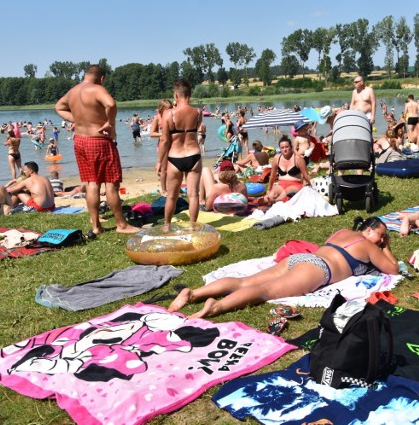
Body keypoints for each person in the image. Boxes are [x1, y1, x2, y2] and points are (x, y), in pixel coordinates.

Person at [167, 216, 399, 318]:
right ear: (368, 230)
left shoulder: (341, 232)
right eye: (380, 235)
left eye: (383, 239)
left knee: (245, 281)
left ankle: (194, 293)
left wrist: (382, 242)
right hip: (317, 269)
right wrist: (386, 247)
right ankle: (216, 307)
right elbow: (393, 269)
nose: (380, 240)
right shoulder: (368, 246)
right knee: (265, 291)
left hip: (300, 259)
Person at [55, 64, 139, 235]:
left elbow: (58, 107)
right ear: (102, 78)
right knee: (111, 183)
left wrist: (76, 119)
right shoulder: (97, 89)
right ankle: (122, 225)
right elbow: (111, 104)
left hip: (80, 140)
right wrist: (110, 123)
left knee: (92, 183)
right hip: (98, 140)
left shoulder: (73, 91)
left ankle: (96, 226)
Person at [156, 79, 203, 228]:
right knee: (194, 195)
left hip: (175, 157)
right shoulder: (198, 112)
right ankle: (193, 226)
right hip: (193, 155)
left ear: (176, 95)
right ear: (190, 94)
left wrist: (159, 162)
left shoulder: (169, 114)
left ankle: (167, 225)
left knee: (171, 196)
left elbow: (164, 141)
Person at [264, 135, 311, 203]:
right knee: (272, 194)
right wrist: (269, 189)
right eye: (282, 147)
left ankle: (276, 201)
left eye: (287, 147)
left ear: (291, 147)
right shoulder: (277, 158)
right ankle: (271, 200)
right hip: (281, 184)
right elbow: (272, 176)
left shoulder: (298, 159)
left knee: (286, 192)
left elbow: (306, 175)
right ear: (279, 149)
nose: (285, 149)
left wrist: (312, 187)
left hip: (295, 184)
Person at [150, 99, 173, 196]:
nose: (169, 111)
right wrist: (163, 134)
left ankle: (172, 187)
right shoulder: (157, 118)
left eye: (170, 109)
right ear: (161, 109)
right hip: (163, 144)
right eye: (167, 109)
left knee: (173, 167)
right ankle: (164, 189)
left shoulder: (173, 116)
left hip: (174, 143)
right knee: (164, 168)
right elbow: (151, 133)